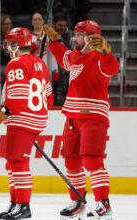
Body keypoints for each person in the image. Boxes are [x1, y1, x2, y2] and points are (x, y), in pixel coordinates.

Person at [41, 20, 119, 219]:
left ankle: (104, 202)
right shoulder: (75, 55)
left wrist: (106, 52)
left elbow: (112, 68)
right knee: (71, 161)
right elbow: (64, 57)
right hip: (72, 117)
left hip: (93, 116)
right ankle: (77, 200)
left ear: (90, 37)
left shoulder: (100, 57)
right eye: (73, 34)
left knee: (92, 161)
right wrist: (54, 41)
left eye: (77, 35)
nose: (74, 38)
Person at [0, 27, 54, 219]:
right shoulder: (40, 63)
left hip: (22, 119)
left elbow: (16, 101)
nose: (7, 47)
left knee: (18, 162)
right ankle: (15, 203)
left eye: (9, 43)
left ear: (16, 44)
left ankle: (24, 206)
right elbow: (49, 97)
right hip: (35, 117)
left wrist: (2, 113)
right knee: (12, 162)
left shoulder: (15, 63)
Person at [51, 13, 74, 106]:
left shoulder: (70, 35)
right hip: (52, 68)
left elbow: (74, 52)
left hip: (66, 67)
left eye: (65, 25)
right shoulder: (49, 35)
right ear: (53, 24)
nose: (63, 28)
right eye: (60, 25)